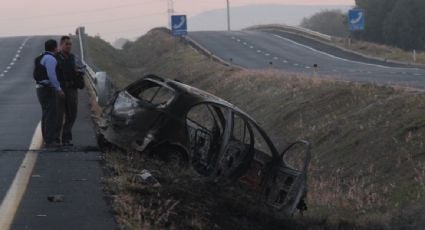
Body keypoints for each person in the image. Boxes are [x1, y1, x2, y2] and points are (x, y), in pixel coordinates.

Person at [35, 39, 64, 148]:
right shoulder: (51, 59)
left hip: (40, 88)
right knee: (51, 115)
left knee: (46, 114)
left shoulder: (42, 56)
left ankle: (46, 138)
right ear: (55, 48)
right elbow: (52, 75)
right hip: (47, 89)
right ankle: (49, 140)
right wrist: (58, 89)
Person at [56, 36, 84, 146]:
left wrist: (78, 70)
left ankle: (66, 137)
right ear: (61, 45)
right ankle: (55, 139)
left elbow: (83, 68)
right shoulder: (56, 58)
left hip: (72, 89)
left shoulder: (74, 57)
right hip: (59, 89)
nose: (69, 46)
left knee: (72, 114)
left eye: (70, 44)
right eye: (66, 44)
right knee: (58, 115)